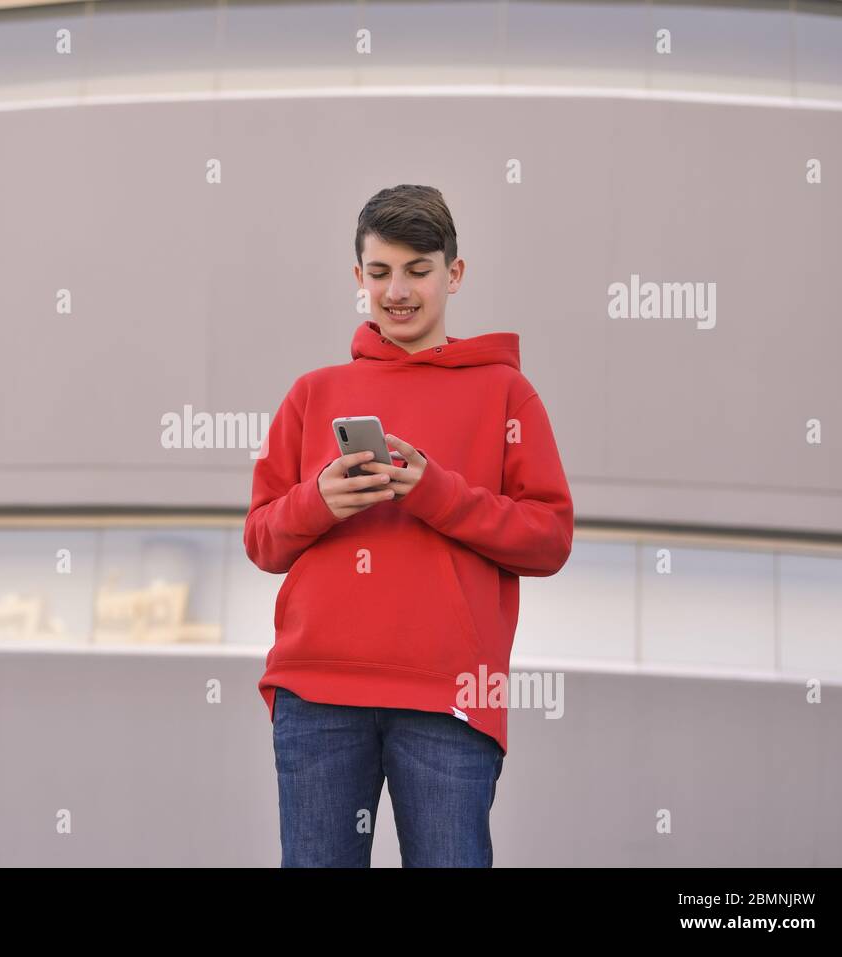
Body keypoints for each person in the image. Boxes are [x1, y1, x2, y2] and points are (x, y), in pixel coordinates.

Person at [244, 184, 574, 867]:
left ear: (454, 274)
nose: (398, 290)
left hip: (449, 697)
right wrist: (319, 501)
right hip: (317, 693)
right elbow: (262, 539)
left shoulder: (507, 393)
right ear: (357, 278)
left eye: (418, 270)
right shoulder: (313, 392)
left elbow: (549, 539)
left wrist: (435, 492)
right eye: (380, 271)